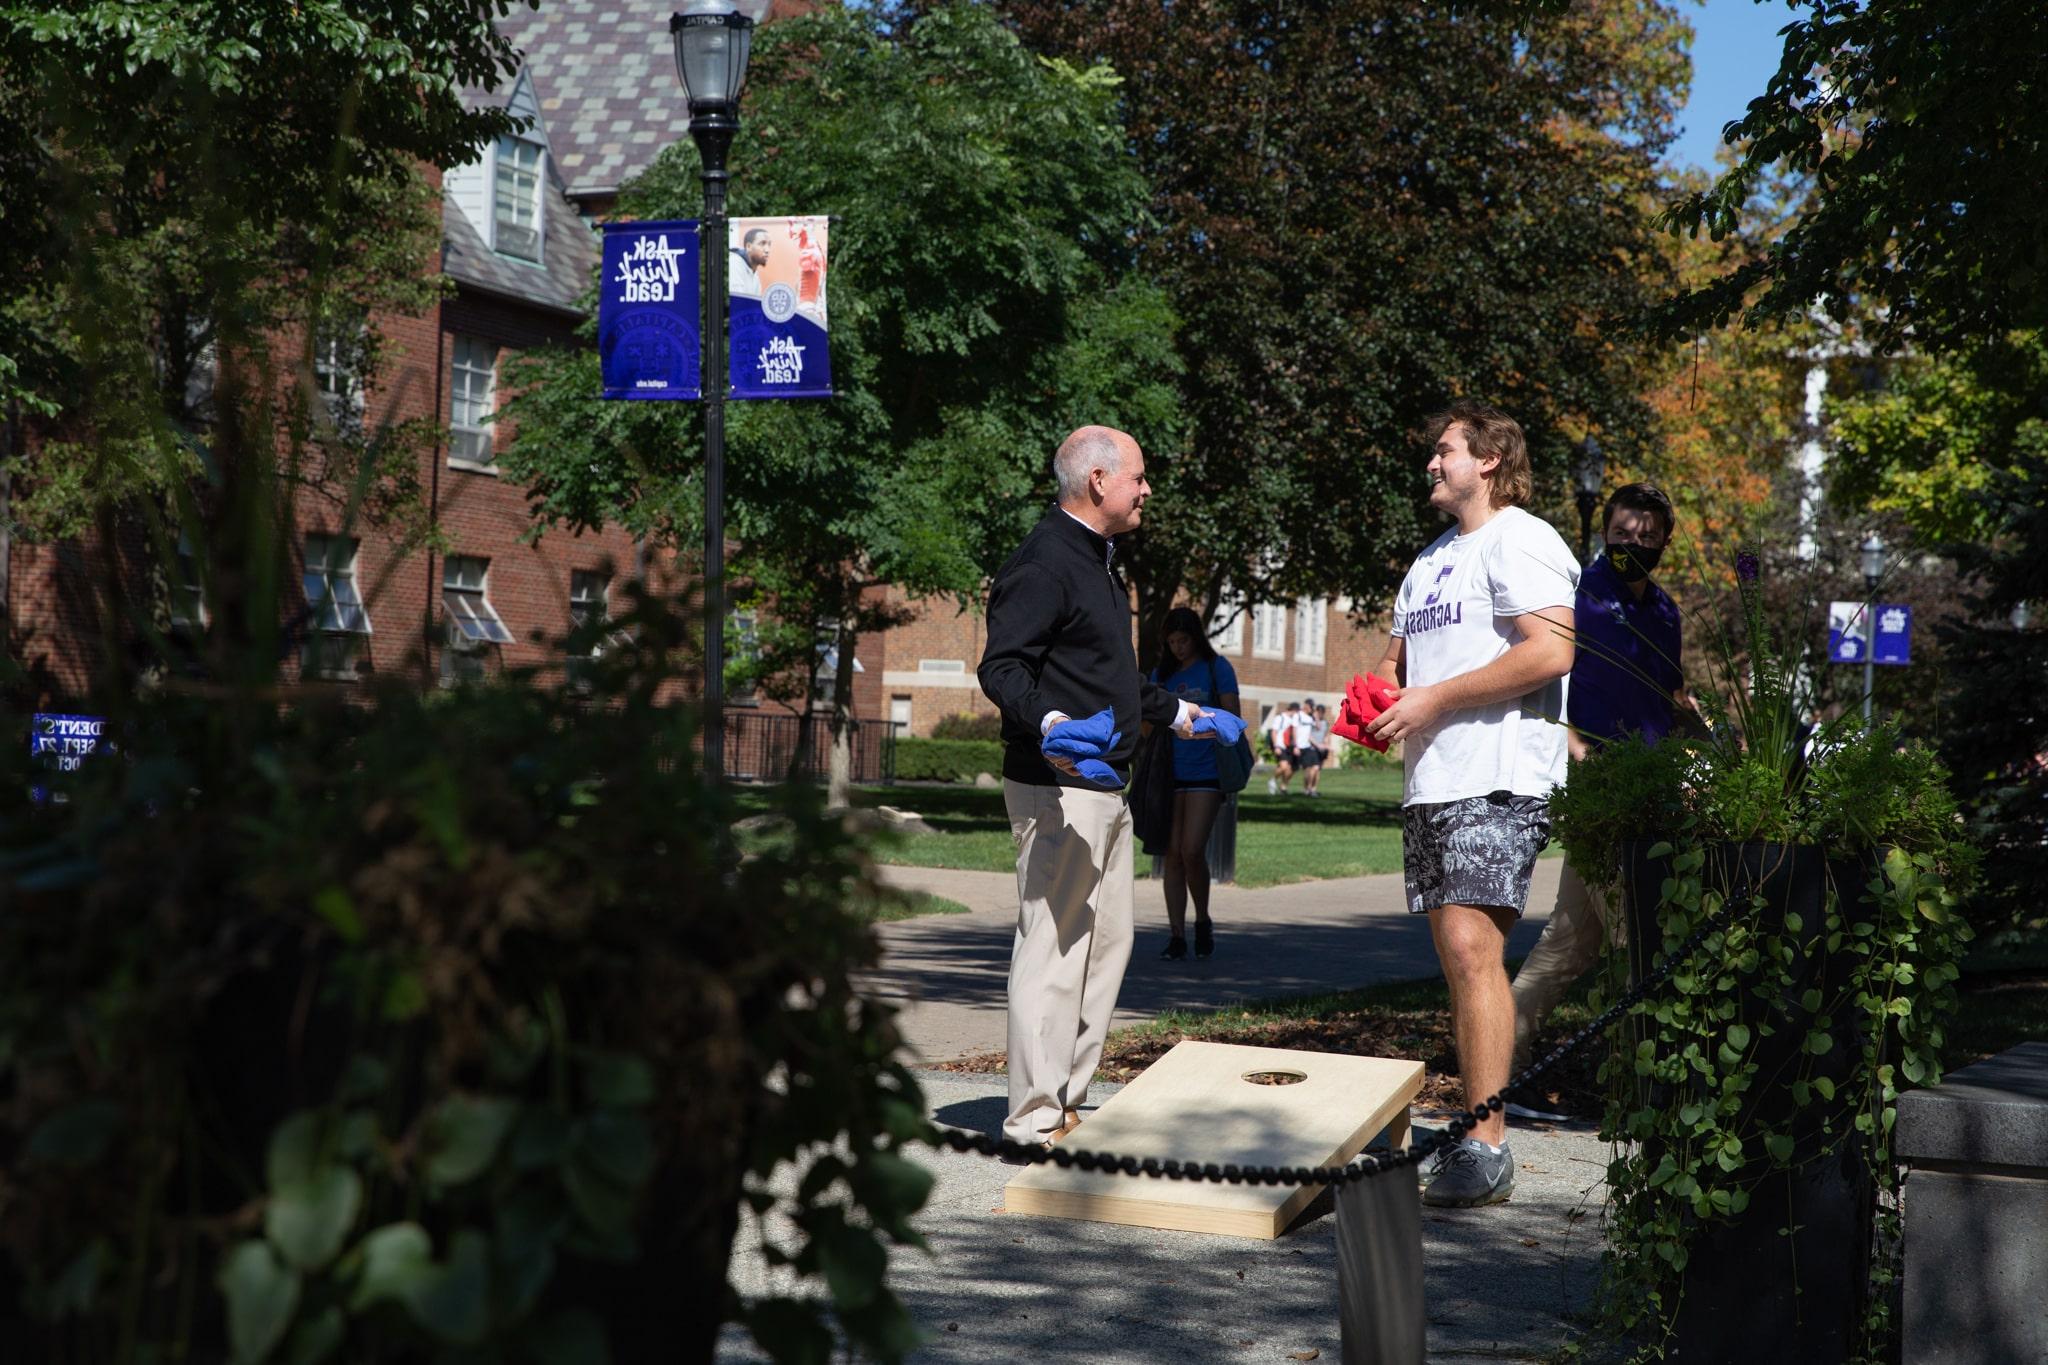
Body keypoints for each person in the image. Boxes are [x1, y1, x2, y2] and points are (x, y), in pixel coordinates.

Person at [1367, 400, 1578, 1208]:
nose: (1432, 463)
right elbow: (1397, 661)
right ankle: (1471, 1128)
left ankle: (1486, 1148)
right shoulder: (1428, 559)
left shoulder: (1521, 538)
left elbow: (1551, 647)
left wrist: (1436, 700)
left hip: (1499, 773)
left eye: (1444, 449)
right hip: (1433, 778)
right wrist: (1377, 702)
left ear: (1489, 459)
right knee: (1459, 959)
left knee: (1469, 944)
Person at [977, 426, 1206, 1152]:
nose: (1146, 490)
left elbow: (1108, 678)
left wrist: (1182, 712)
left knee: (1107, 943)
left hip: (1108, 788)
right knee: (1053, 946)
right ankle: (1033, 1117)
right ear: (1099, 480)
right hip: (1057, 785)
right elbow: (1002, 667)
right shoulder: (1045, 561)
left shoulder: (1100, 563)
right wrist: (1049, 722)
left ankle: (1068, 1098)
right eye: (1138, 477)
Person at [1507, 483, 1685, 1092]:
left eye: (1646, 536)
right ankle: (1649, 1076)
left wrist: (1709, 735)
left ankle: (1500, 1060)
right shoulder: (1574, 596)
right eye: (1622, 533)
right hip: (1597, 791)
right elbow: (1544, 687)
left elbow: (1669, 695)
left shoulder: (1665, 612)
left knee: (1573, 938)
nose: (1633, 544)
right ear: (1604, 532)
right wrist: (1573, 748)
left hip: (1653, 790)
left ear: (1664, 540)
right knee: (1639, 934)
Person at [1148, 605, 1241, 960]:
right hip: (1170, 773)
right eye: (1172, 641)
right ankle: (1176, 935)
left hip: (1207, 773)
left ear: (1196, 638)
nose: (1178, 648)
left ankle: (1202, 920)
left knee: (1191, 850)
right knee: (1171, 855)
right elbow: (1148, 720)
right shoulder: (1162, 674)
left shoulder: (1217, 669)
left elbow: (1233, 719)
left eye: (1183, 640)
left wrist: (1200, 730)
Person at [1262, 699, 1301, 795]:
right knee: (1283, 766)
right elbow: (1274, 732)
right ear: (1292, 709)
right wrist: (1276, 746)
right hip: (1280, 745)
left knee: (1290, 769)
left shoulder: (1294, 720)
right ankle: (1272, 780)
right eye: (1296, 711)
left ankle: (1283, 787)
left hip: (1290, 747)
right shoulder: (1280, 718)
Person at [1300, 702, 1332, 796]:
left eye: (1322, 712)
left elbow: (1326, 735)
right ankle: (1307, 788)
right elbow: (1308, 735)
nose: (1321, 713)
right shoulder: (1311, 721)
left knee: (1317, 769)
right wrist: (1317, 745)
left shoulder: (1325, 722)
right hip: (1311, 748)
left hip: (1320, 750)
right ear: (1316, 711)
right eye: (1319, 711)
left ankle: (1313, 789)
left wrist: (1326, 744)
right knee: (1309, 770)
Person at [729, 226, 770, 298]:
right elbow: (737, 302)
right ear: (748, 246)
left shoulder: (754, 271)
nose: (767, 250)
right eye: (762, 244)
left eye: (769, 244)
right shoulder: (735, 263)